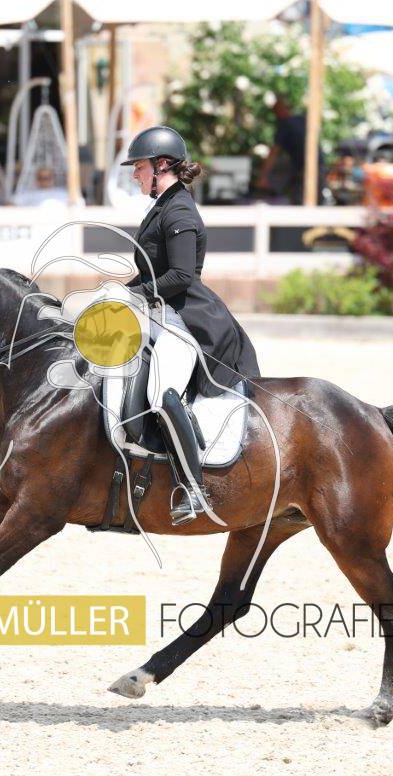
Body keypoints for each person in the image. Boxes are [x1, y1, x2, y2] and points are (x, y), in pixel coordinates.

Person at [121, 125, 262, 525]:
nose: (135, 175)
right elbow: (153, 271)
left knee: (161, 392)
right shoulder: (163, 206)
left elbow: (181, 276)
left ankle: (192, 488)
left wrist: (135, 293)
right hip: (161, 313)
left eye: (139, 167)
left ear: (162, 165)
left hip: (186, 322)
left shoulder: (179, 211)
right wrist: (116, 292)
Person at [256, 97, 323, 204]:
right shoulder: (301, 120)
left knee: (302, 201)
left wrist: (263, 176)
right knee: (314, 201)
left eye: (276, 111)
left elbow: (274, 153)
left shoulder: (286, 125)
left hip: (308, 167)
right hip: (316, 165)